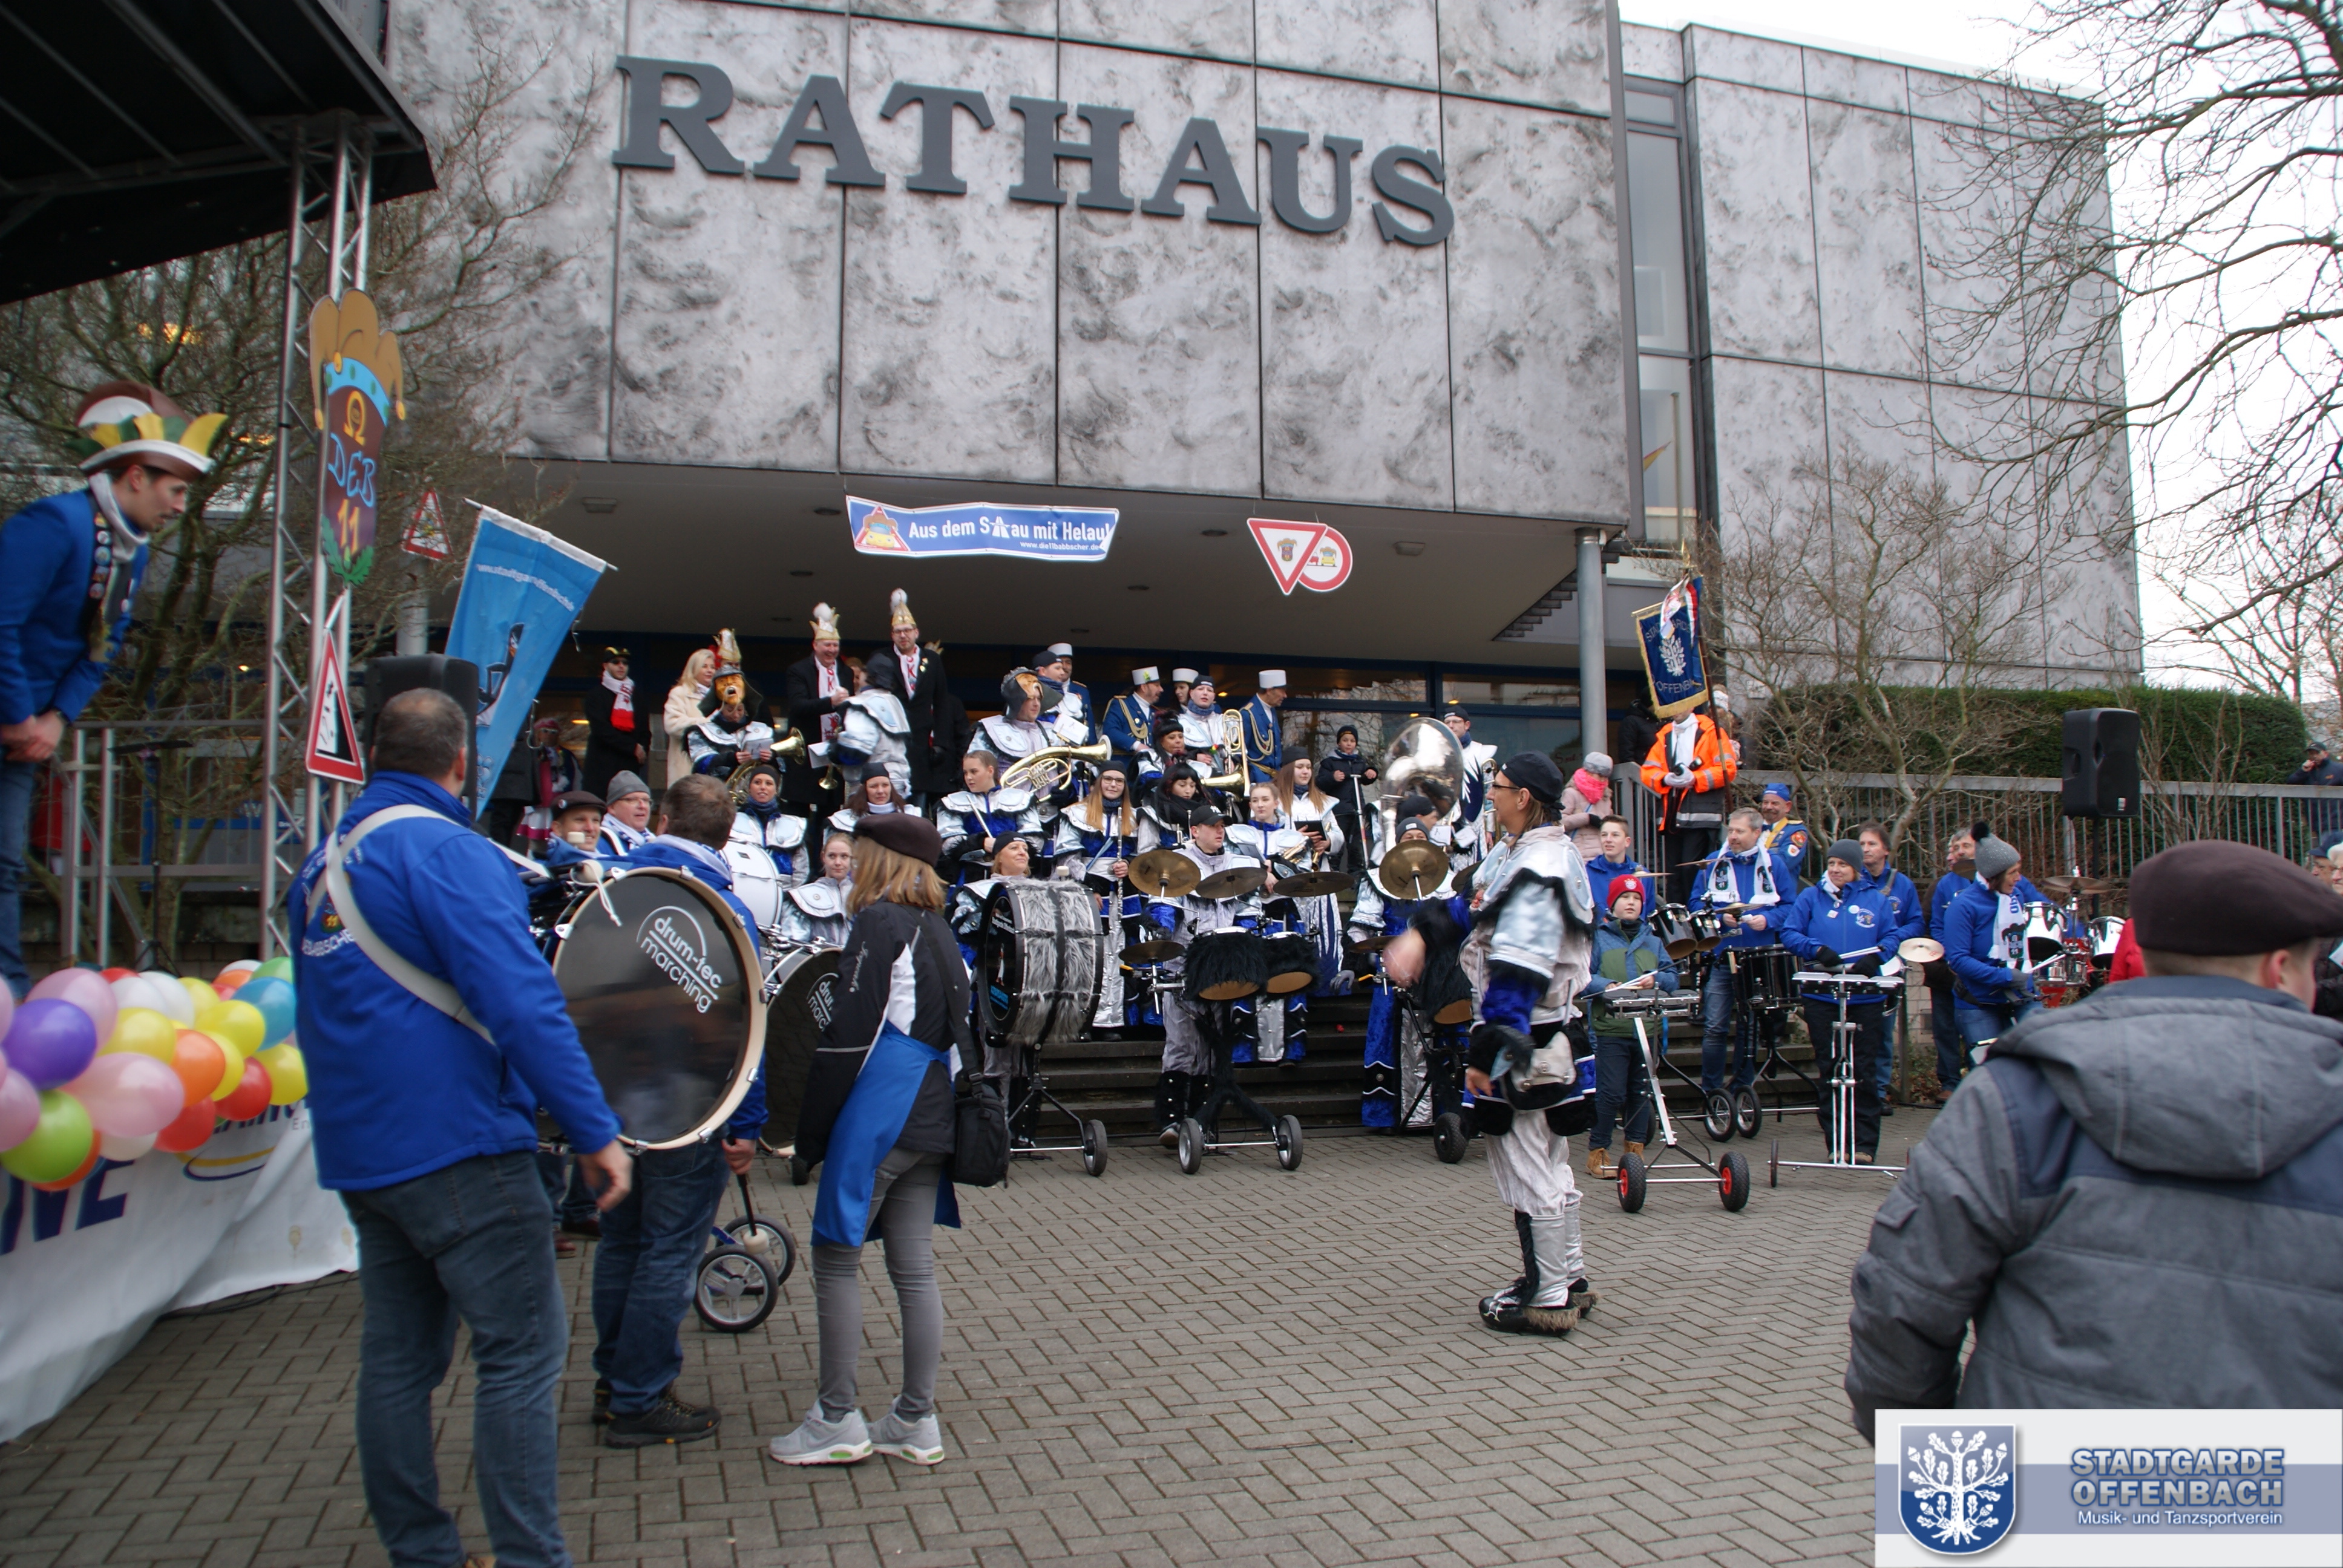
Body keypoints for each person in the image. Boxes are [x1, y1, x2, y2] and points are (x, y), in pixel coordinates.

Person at [292, 688, 631, 1568]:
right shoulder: (447, 851)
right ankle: (530, 1557)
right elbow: (523, 1003)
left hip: (364, 1155)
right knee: (522, 1353)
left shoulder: (323, 863)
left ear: (375, 757)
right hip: (463, 1147)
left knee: (398, 1362)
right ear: (460, 763)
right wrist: (593, 1129)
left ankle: (422, 1552)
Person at [1843, 838, 2343, 1432]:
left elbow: (1903, 1301)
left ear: (2146, 953)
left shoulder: (2014, 1095)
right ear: (2279, 970)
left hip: (2046, 1474)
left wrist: (1935, 1457)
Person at [770, 811, 970, 1469]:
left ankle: (835, 1417)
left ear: (882, 859)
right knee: (914, 1268)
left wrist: (807, 1136)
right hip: (933, 1104)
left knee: (834, 1256)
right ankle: (915, 1417)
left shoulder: (879, 921)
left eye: (859, 851)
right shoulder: (938, 927)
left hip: (884, 1104)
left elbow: (846, 1038)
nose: (851, 862)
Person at [1382, 751, 1600, 1336]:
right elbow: (1471, 905)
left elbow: (1521, 965)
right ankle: (1568, 1276)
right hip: (1539, 1030)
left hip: (1526, 1032)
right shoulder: (1518, 853)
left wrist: (1488, 1053)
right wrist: (1420, 937)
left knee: (1529, 1162)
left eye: (1499, 787)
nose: (1491, 797)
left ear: (1524, 797)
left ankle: (1547, 1294)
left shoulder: (1543, 864)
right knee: (1546, 1160)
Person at [2, 380, 207, 992]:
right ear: (136, 476)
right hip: (14, 721)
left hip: (25, 733)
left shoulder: (131, 550)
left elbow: (103, 647)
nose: (180, 507)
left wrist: (56, 718)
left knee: (5, 865)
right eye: (176, 490)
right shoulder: (54, 524)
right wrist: (20, 716)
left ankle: (8, 993)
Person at [595, 776, 767, 1446]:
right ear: (727, 837)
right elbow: (748, 1027)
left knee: (622, 1243)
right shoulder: (726, 907)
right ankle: (639, 1397)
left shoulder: (612, 888)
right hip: (693, 1106)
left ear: (662, 820)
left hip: (612, 1099)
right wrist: (747, 1124)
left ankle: (614, 1381)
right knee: (668, 1250)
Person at [1139, 803, 1264, 1144]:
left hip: (1223, 971)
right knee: (1182, 1045)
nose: (1220, 830)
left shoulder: (1237, 865)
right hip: (1183, 968)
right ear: (1195, 831)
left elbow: (1248, 912)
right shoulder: (1176, 863)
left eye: (1223, 825)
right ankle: (1171, 1122)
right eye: (1212, 826)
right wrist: (1161, 927)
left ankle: (1201, 1123)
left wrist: (1247, 939)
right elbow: (1163, 906)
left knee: (1213, 1049)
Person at [1778, 840, 1895, 1163]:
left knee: (1864, 1070)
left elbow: (1892, 935)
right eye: (1832, 863)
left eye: (1843, 864)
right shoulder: (1810, 897)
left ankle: (1865, 1145)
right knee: (1830, 1068)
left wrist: (1878, 956)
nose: (1836, 869)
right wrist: (1816, 950)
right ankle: (1837, 1144)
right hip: (1823, 994)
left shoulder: (1876, 900)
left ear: (1856, 869)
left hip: (1865, 996)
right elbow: (1790, 932)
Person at [1349, 813, 1466, 1129]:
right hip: (1396, 970)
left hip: (1440, 973)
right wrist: (1372, 956)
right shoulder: (1377, 880)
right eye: (1408, 838)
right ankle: (1393, 1114)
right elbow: (1361, 929)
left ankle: (1447, 1112)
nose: (1414, 842)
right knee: (1389, 1039)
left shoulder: (1447, 881)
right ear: (1397, 844)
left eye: (1420, 838)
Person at [1691, 808, 1792, 1107]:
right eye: (1731, 831)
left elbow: (1791, 906)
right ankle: (1712, 1094)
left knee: (1750, 1028)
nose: (1732, 836)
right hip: (1723, 956)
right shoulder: (1714, 862)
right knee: (1715, 1027)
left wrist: (1768, 920)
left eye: (1739, 831)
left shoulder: (1774, 864)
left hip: (1758, 958)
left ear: (1757, 833)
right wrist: (1719, 919)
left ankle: (1742, 1090)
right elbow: (1695, 903)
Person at [1578, 875, 1674, 1178]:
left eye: (1636, 899)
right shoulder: (1598, 938)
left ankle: (1635, 1154)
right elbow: (1583, 977)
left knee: (1641, 1092)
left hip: (1647, 1029)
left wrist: (1656, 979)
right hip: (1611, 1029)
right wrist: (1607, 986)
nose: (1631, 903)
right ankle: (1598, 1152)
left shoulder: (1654, 941)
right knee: (1611, 1093)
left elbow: (1672, 977)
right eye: (1625, 898)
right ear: (1613, 904)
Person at [1050, 761, 1158, 1030]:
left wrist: (1130, 865)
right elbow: (1066, 857)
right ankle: (1083, 1021)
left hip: (1124, 895)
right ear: (1098, 782)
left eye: (1119, 781)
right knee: (1087, 952)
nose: (1113, 785)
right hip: (1086, 891)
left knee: (1121, 953)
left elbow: (1147, 857)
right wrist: (1089, 884)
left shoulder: (1136, 818)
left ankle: (1117, 1022)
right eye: (1108, 779)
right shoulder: (1075, 813)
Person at [1942, 823, 2053, 1067]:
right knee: (1991, 1073)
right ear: (1995, 874)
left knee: (2040, 1059)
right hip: (1979, 1002)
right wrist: (2005, 977)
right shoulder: (1963, 906)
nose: (2018, 878)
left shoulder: (2015, 896)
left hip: (2021, 995)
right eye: (2013, 872)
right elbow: (1958, 960)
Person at [1854, 822, 1925, 1112]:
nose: (1866, 849)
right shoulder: (1852, 880)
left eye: (1872, 844)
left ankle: (1879, 1091)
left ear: (1886, 849)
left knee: (1883, 1031)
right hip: (1858, 962)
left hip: (1888, 963)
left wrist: (1892, 939)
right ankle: (1855, 1090)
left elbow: (1916, 922)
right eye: (1861, 844)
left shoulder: (1902, 884)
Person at [1638, 699, 1735, 904]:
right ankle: (1678, 917)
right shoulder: (1665, 734)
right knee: (1673, 876)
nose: (1675, 710)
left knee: (1692, 873)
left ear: (1691, 706)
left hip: (1701, 816)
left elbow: (1728, 769)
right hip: (1672, 816)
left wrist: (1696, 778)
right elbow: (1648, 771)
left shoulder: (1712, 731)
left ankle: (1696, 915)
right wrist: (1665, 779)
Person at [870, 590, 948, 808]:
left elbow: (941, 702)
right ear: (892, 635)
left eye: (907, 631)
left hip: (922, 744)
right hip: (892, 740)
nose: (903, 636)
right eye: (898, 632)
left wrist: (941, 743)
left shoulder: (932, 660)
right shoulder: (882, 658)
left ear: (916, 632)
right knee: (889, 799)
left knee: (918, 803)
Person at [934, 749, 1046, 882]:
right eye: (965, 773)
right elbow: (949, 845)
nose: (968, 777)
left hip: (1013, 874)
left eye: (974, 772)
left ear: (990, 771)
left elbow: (1035, 842)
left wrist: (1006, 847)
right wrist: (980, 843)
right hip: (970, 875)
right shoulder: (951, 802)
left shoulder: (1022, 798)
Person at [813, 650, 913, 799]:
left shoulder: (861, 703)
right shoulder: (894, 702)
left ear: (868, 676)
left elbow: (855, 752)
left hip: (871, 786)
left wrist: (833, 751)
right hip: (898, 782)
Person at [1924, 829, 1978, 1099]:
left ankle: (1978, 1081)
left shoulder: (1989, 880)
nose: (1959, 851)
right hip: (1946, 971)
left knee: (1976, 1028)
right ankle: (1949, 1083)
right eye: (1955, 847)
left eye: (1966, 845)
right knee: (1945, 1030)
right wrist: (1952, 956)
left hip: (1978, 972)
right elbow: (1935, 925)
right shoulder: (1943, 885)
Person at [784, 604, 850, 821]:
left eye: (835, 645)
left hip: (832, 754)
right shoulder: (798, 671)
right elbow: (798, 706)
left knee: (830, 815)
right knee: (798, 814)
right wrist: (830, 703)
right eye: (827, 645)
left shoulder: (846, 672)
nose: (831, 650)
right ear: (815, 645)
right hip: (805, 752)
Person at [724, 763, 809, 929]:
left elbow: (801, 869)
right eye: (757, 782)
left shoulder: (793, 826)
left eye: (769, 783)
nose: (763, 787)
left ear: (776, 790)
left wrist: (788, 901)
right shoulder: (732, 822)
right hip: (740, 896)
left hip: (783, 903)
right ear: (749, 788)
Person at [686, 655, 776, 779]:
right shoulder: (702, 732)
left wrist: (771, 758)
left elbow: (780, 767)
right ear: (720, 710)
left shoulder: (763, 730)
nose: (736, 715)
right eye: (730, 710)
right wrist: (730, 758)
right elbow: (702, 765)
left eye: (740, 710)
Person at [968, 667, 1061, 781]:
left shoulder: (1052, 731)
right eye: (1030, 698)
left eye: (1039, 698)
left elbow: (1069, 771)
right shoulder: (991, 729)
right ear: (1017, 700)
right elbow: (974, 772)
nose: (1036, 704)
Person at [580, 646, 645, 798]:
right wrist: (632, 747)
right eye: (616, 662)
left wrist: (642, 750)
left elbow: (644, 730)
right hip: (601, 767)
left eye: (625, 663)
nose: (621, 666)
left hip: (629, 766)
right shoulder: (596, 695)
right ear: (605, 666)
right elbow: (601, 730)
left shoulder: (636, 696)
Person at [779, 832, 859, 947]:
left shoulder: (863, 897)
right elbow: (794, 945)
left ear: (852, 859)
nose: (838, 862)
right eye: (832, 856)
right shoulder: (801, 897)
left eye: (844, 856)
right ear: (823, 857)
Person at [1442, 705, 1497, 863]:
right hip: (1445, 823)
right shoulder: (1439, 753)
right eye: (1447, 722)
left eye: (1456, 722)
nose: (1451, 726)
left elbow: (1490, 794)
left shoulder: (1481, 753)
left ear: (1467, 725)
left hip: (1475, 823)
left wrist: (1490, 830)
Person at [1318, 725, 1375, 873]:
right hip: (1340, 811)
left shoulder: (1359, 761)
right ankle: (1334, 873)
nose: (1349, 744)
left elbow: (1366, 777)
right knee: (1338, 845)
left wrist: (1371, 772)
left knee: (1357, 846)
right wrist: (1333, 777)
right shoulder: (1330, 762)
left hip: (1357, 810)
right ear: (1339, 743)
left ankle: (1357, 875)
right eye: (1345, 740)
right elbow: (1320, 782)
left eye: (1352, 741)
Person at [661, 647, 716, 787]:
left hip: (714, 767)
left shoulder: (720, 696)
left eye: (712, 667)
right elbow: (672, 725)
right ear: (693, 668)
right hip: (687, 766)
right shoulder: (679, 693)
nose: (710, 670)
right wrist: (706, 724)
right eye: (704, 666)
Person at [1034, 643, 1096, 748]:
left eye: (1068, 663)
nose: (1063, 669)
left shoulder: (1079, 693)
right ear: (1043, 671)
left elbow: (1088, 726)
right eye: (1058, 667)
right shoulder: (1032, 692)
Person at [1103, 665, 1162, 773]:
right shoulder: (1121, 705)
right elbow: (1110, 731)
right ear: (1144, 687)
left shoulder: (1156, 712)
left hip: (1151, 770)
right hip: (1125, 768)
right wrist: (1137, 745)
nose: (1161, 689)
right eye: (1157, 685)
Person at [829, 769, 917, 838]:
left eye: (885, 785)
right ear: (864, 790)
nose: (880, 791)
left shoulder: (911, 814)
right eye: (874, 786)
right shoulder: (843, 821)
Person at [1583, 815, 1643, 916]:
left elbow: (1648, 915)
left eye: (1615, 835)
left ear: (1627, 842)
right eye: (1604, 835)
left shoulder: (1643, 875)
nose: (1608, 840)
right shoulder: (1586, 873)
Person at [1559, 753, 1613, 861]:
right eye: (1600, 775)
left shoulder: (1605, 796)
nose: (1603, 780)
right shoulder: (1571, 793)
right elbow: (1560, 822)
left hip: (1603, 856)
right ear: (1588, 772)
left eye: (1605, 777)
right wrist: (1587, 818)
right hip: (1580, 856)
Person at [1754, 782, 1810, 883]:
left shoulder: (1796, 831)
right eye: (1765, 803)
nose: (1769, 807)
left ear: (1788, 806)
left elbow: (1784, 863)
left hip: (1779, 890)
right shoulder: (1753, 829)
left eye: (1775, 804)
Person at [1238, 670, 1286, 783]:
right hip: (1257, 778)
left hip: (1275, 778)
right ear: (1269, 690)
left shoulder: (1272, 710)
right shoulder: (1247, 713)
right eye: (1282, 691)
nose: (1285, 695)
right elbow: (1241, 753)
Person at [598, 771, 653, 857]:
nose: (642, 806)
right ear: (612, 807)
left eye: (646, 800)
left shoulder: (651, 840)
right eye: (632, 800)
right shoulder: (599, 843)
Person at [547, 789, 603, 853]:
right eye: (580, 820)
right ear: (558, 829)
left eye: (596, 820)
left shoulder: (606, 857)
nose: (590, 828)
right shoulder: (549, 858)